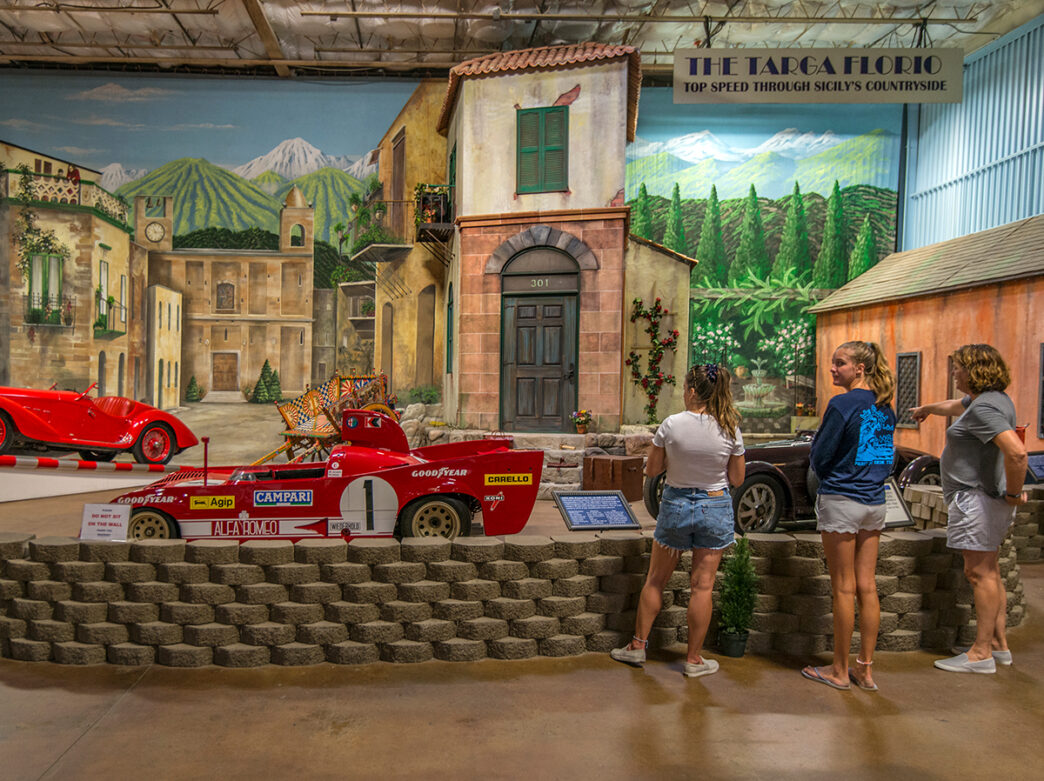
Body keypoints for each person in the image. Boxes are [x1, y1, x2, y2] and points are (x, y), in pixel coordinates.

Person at [610, 363, 745, 678]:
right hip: (714, 506)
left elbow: (652, 471)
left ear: (693, 391)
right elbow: (737, 478)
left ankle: (637, 646)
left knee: (656, 579)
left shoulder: (671, 425)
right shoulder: (730, 427)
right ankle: (694, 660)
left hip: (677, 505)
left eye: (685, 389)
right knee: (702, 586)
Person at [911, 344, 1027, 673]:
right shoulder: (992, 400)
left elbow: (1017, 454)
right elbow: (955, 405)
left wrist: (1015, 494)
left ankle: (980, 655)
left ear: (975, 370)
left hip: (976, 500)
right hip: (984, 500)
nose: (954, 372)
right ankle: (998, 645)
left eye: (958, 367)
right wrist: (927, 408)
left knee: (979, 574)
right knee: (990, 570)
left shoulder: (983, 409)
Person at [801, 341, 896, 692]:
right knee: (867, 586)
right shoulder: (885, 408)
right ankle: (865, 669)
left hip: (842, 499)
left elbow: (820, 455)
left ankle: (839, 670)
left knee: (843, 586)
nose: (832, 369)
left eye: (839, 363)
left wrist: (828, 472)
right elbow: (882, 459)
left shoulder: (841, 404)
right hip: (874, 502)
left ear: (860, 368)